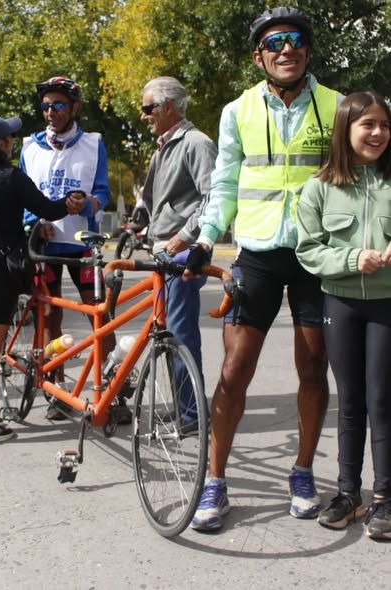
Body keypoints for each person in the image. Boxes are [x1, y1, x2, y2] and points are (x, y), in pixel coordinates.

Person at [186, 7, 342, 531]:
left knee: (313, 366)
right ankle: (215, 480)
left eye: (295, 40)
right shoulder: (238, 111)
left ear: (308, 50)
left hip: (315, 254)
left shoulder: (336, 106)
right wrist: (206, 237)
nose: (286, 49)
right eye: (275, 43)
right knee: (235, 369)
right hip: (256, 253)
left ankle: (302, 472)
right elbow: (225, 183)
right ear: (259, 57)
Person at [0, 113, 86, 446]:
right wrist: (69, 203)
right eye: (10, 137)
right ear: (1, 144)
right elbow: (47, 209)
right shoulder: (10, 177)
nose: (13, 142)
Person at [296, 91, 391, 540]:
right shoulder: (319, 187)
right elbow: (308, 250)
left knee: (383, 399)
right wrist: (353, 259)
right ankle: (349, 494)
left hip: (387, 304)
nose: (378, 133)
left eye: (385, 125)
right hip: (340, 303)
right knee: (350, 401)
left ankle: (385, 498)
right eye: (367, 124)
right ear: (345, 129)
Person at [19, 76, 119, 421]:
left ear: (74, 108)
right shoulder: (29, 147)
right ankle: (57, 390)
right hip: (45, 245)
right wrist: (34, 222)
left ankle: (112, 390)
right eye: (46, 106)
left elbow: (103, 192)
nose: (51, 112)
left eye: (58, 105)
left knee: (99, 316)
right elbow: (22, 196)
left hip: (82, 244)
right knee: (49, 316)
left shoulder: (93, 144)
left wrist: (88, 203)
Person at [140, 76, 217, 386]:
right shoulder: (163, 147)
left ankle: (188, 410)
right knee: (165, 331)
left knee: (179, 334)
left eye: (148, 108)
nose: (143, 116)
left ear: (167, 106)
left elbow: (214, 197)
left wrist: (185, 236)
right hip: (163, 249)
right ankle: (181, 404)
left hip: (182, 252)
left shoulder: (196, 143)